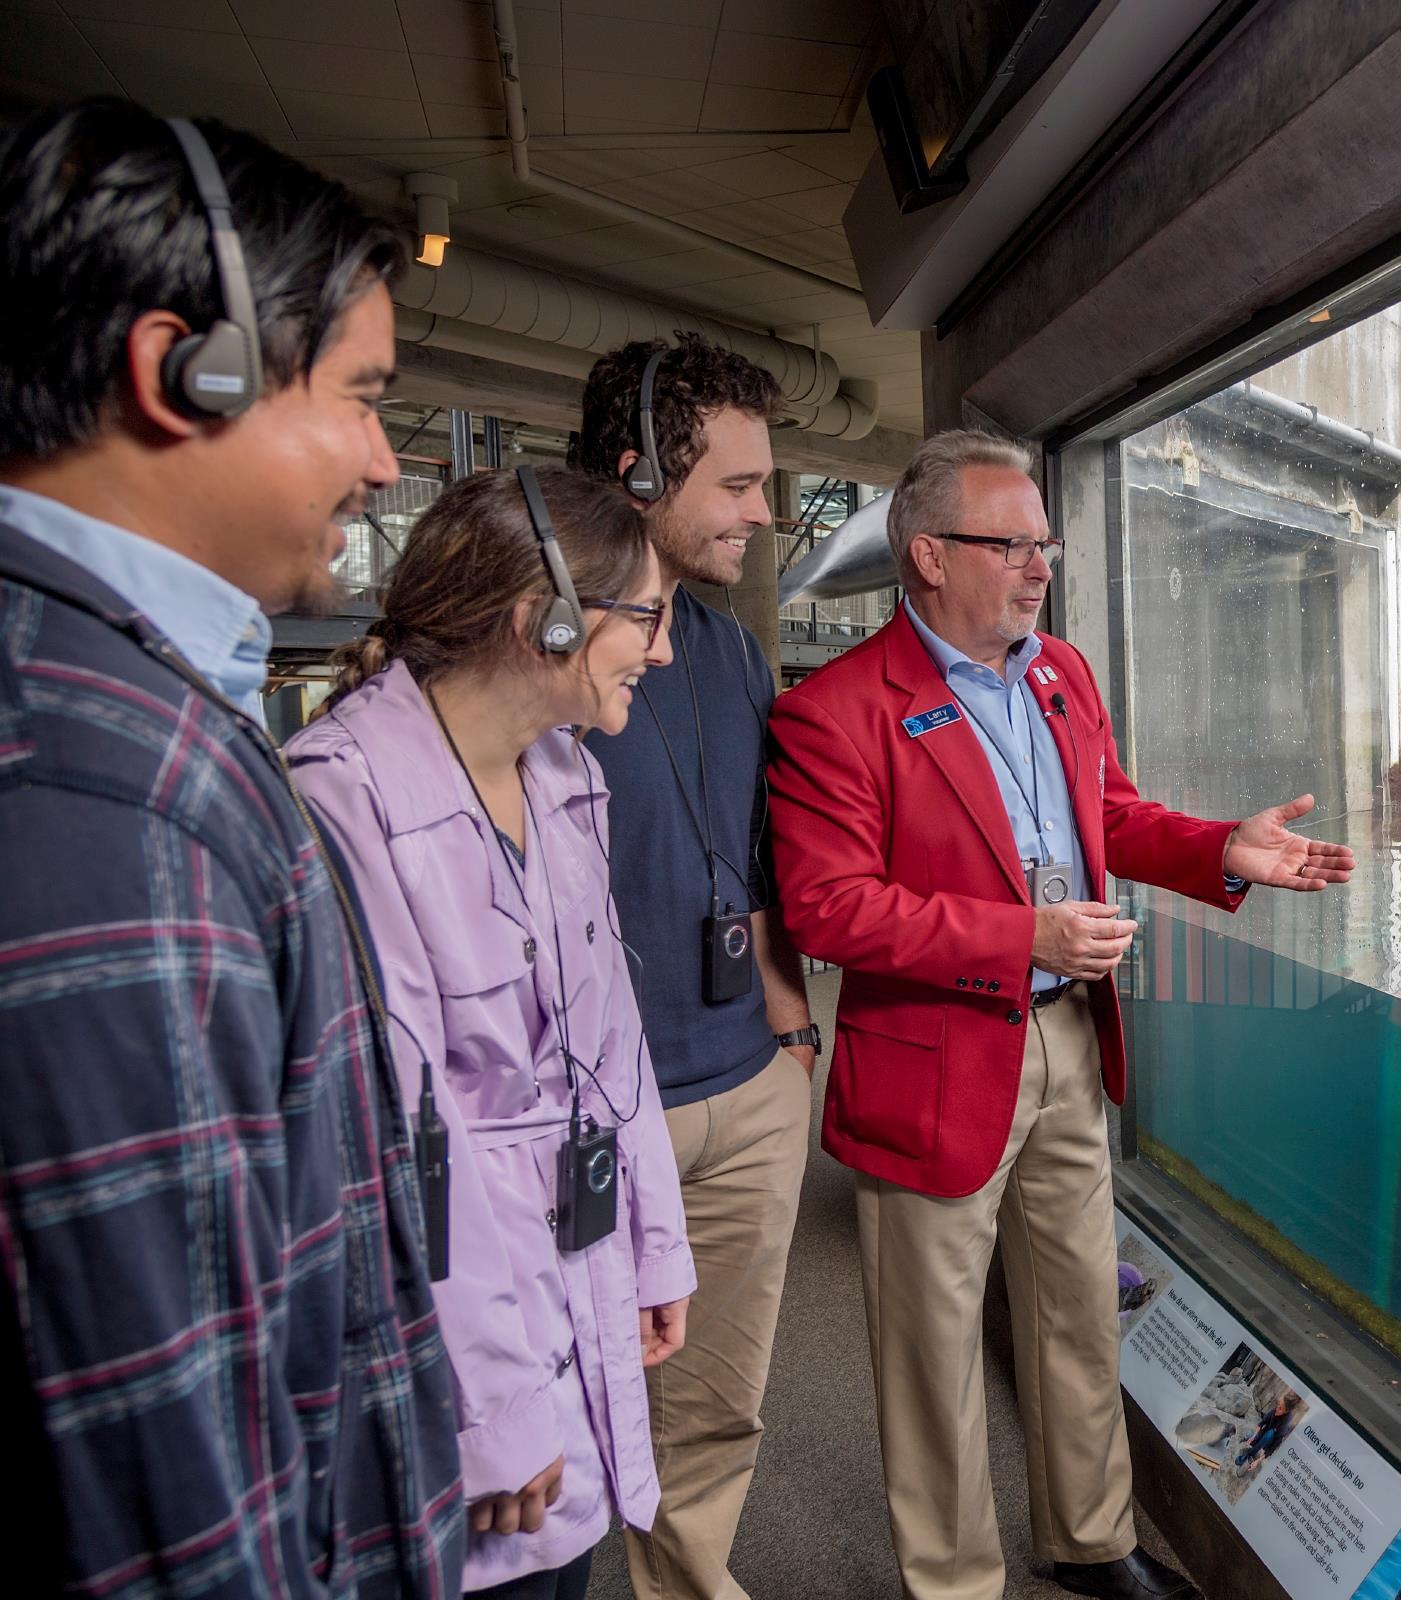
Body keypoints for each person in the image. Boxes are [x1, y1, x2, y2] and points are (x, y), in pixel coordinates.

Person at [0, 100, 463, 1598]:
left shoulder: (122, 707)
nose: (388, 464)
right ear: (177, 372)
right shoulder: (97, 794)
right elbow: (163, 1471)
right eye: (362, 395)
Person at [767, 430, 1358, 1600]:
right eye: (1012, 545)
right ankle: (954, 1582)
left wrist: (1218, 848)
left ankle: (1092, 1542)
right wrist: (1018, 939)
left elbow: (1110, 816)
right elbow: (828, 911)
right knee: (932, 1355)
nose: (1040, 566)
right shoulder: (834, 713)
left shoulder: (1060, 673)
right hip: (933, 1061)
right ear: (929, 555)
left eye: (1047, 542)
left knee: (1081, 1310)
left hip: (1071, 1040)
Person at [286, 465, 695, 1600]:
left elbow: (612, 1042)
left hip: (575, 1264)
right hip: (460, 1329)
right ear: (544, 620)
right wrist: (491, 1405)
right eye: (646, 617)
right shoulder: (345, 796)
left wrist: (653, 1240)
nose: (661, 651)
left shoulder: (564, 770)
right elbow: (398, 1144)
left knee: (570, 1566)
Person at [568, 333, 820, 1600]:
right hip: (605, 1118)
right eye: (737, 485)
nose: (763, 516)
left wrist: (787, 1033)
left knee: (719, 1407)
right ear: (636, 474)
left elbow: (760, 848)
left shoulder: (725, 648)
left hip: (750, 1087)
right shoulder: (543, 653)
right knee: (559, 1416)